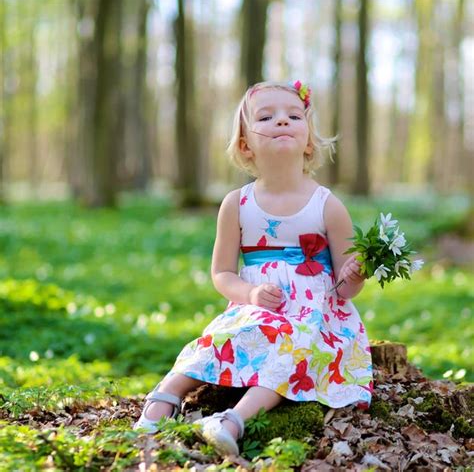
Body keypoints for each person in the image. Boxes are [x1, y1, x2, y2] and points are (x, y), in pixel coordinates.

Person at [133, 81, 373, 456]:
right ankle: (167, 395)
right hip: (257, 308)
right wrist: (250, 294)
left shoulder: (328, 205)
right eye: (267, 116)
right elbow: (222, 273)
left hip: (317, 316)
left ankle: (233, 419)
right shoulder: (237, 204)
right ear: (245, 144)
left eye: (294, 116)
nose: (282, 121)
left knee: (297, 347)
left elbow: (344, 288)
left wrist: (354, 276)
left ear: (308, 139)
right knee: (219, 339)